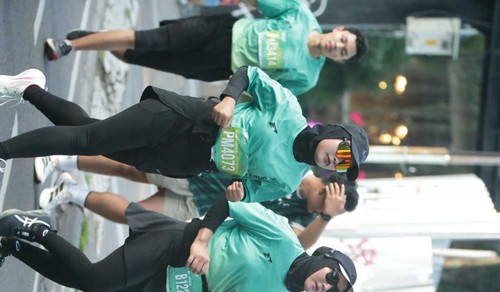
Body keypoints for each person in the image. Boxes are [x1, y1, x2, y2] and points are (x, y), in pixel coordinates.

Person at [0, 67, 368, 204]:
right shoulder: (287, 109)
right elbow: (248, 74)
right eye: (342, 151)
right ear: (335, 132)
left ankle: (29, 88)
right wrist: (229, 99)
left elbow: (247, 192)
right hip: (183, 120)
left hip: (183, 161)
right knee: (89, 140)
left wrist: (238, 194)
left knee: (89, 130)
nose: (334, 161)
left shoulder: (288, 181)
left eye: (342, 165)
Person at [0, 186, 357, 292]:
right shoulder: (283, 238)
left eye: (332, 291)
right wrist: (202, 241)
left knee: (91, 285)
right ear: (324, 258)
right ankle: (37, 229)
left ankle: (13, 245)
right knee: (95, 279)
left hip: (179, 286)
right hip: (178, 245)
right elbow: (228, 203)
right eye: (331, 277)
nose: (325, 287)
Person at [44, 0, 368, 96]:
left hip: (220, 67)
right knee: (147, 39)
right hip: (219, 32)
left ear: (339, 61)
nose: (337, 46)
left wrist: (233, 92)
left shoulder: (308, 78)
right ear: (339, 30)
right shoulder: (301, 15)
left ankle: (96, 38)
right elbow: (258, 2)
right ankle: (69, 45)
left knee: (136, 55)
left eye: (343, 52)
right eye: (342, 41)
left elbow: (264, 90)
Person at [35, 155, 359, 250]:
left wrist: (326, 218)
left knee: (134, 216)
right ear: (329, 187)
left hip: (202, 205)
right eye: (327, 205)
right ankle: (61, 160)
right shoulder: (296, 166)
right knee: (128, 168)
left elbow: (298, 244)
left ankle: (71, 192)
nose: (321, 211)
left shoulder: (309, 217)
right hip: (197, 171)